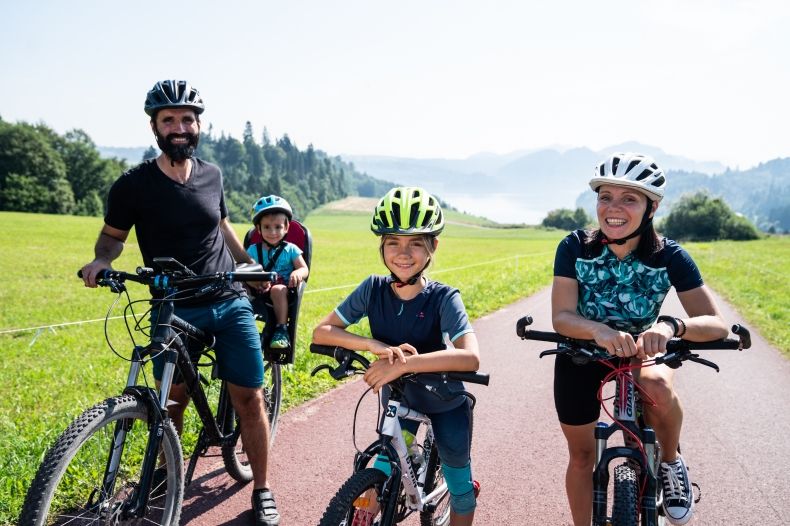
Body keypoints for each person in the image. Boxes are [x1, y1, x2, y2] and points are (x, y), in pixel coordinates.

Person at [80, 80, 280, 526]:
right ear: (155, 126)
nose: (179, 127)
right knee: (172, 401)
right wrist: (99, 260)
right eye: (169, 119)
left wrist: (249, 267)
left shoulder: (213, 175)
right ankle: (169, 477)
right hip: (173, 305)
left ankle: (263, 488)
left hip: (228, 300)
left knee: (249, 397)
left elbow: (224, 227)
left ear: (198, 125)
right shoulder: (133, 185)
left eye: (187, 119)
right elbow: (112, 238)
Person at [551, 152, 729, 525]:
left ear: (652, 208)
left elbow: (715, 323)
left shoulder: (670, 256)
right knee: (582, 457)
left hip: (642, 351)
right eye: (605, 197)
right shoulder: (575, 247)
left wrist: (669, 328)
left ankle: (670, 462)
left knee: (656, 386)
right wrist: (599, 330)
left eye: (628, 198)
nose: (613, 208)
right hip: (582, 350)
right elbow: (562, 316)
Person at [313, 186, 481, 526]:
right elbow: (323, 332)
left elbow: (470, 358)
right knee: (378, 471)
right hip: (400, 403)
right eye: (394, 242)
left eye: (416, 242)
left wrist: (404, 364)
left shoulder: (444, 298)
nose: (403, 253)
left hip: (444, 402)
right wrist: (374, 346)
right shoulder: (372, 289)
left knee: (461, 489)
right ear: (381, 247)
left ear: (434, 246)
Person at [247, 194, 309, 349]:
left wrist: (297, 273)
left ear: (286, 227)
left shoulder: (291, 249)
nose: (272, 232)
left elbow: (304, 268)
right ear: (258, 229)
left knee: (278, 290)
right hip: (257, 288)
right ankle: (243, 326)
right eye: (267, 227)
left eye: (278, 227)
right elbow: (245, 268)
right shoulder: (254, 250)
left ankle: (281, 330)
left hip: (282, 290)